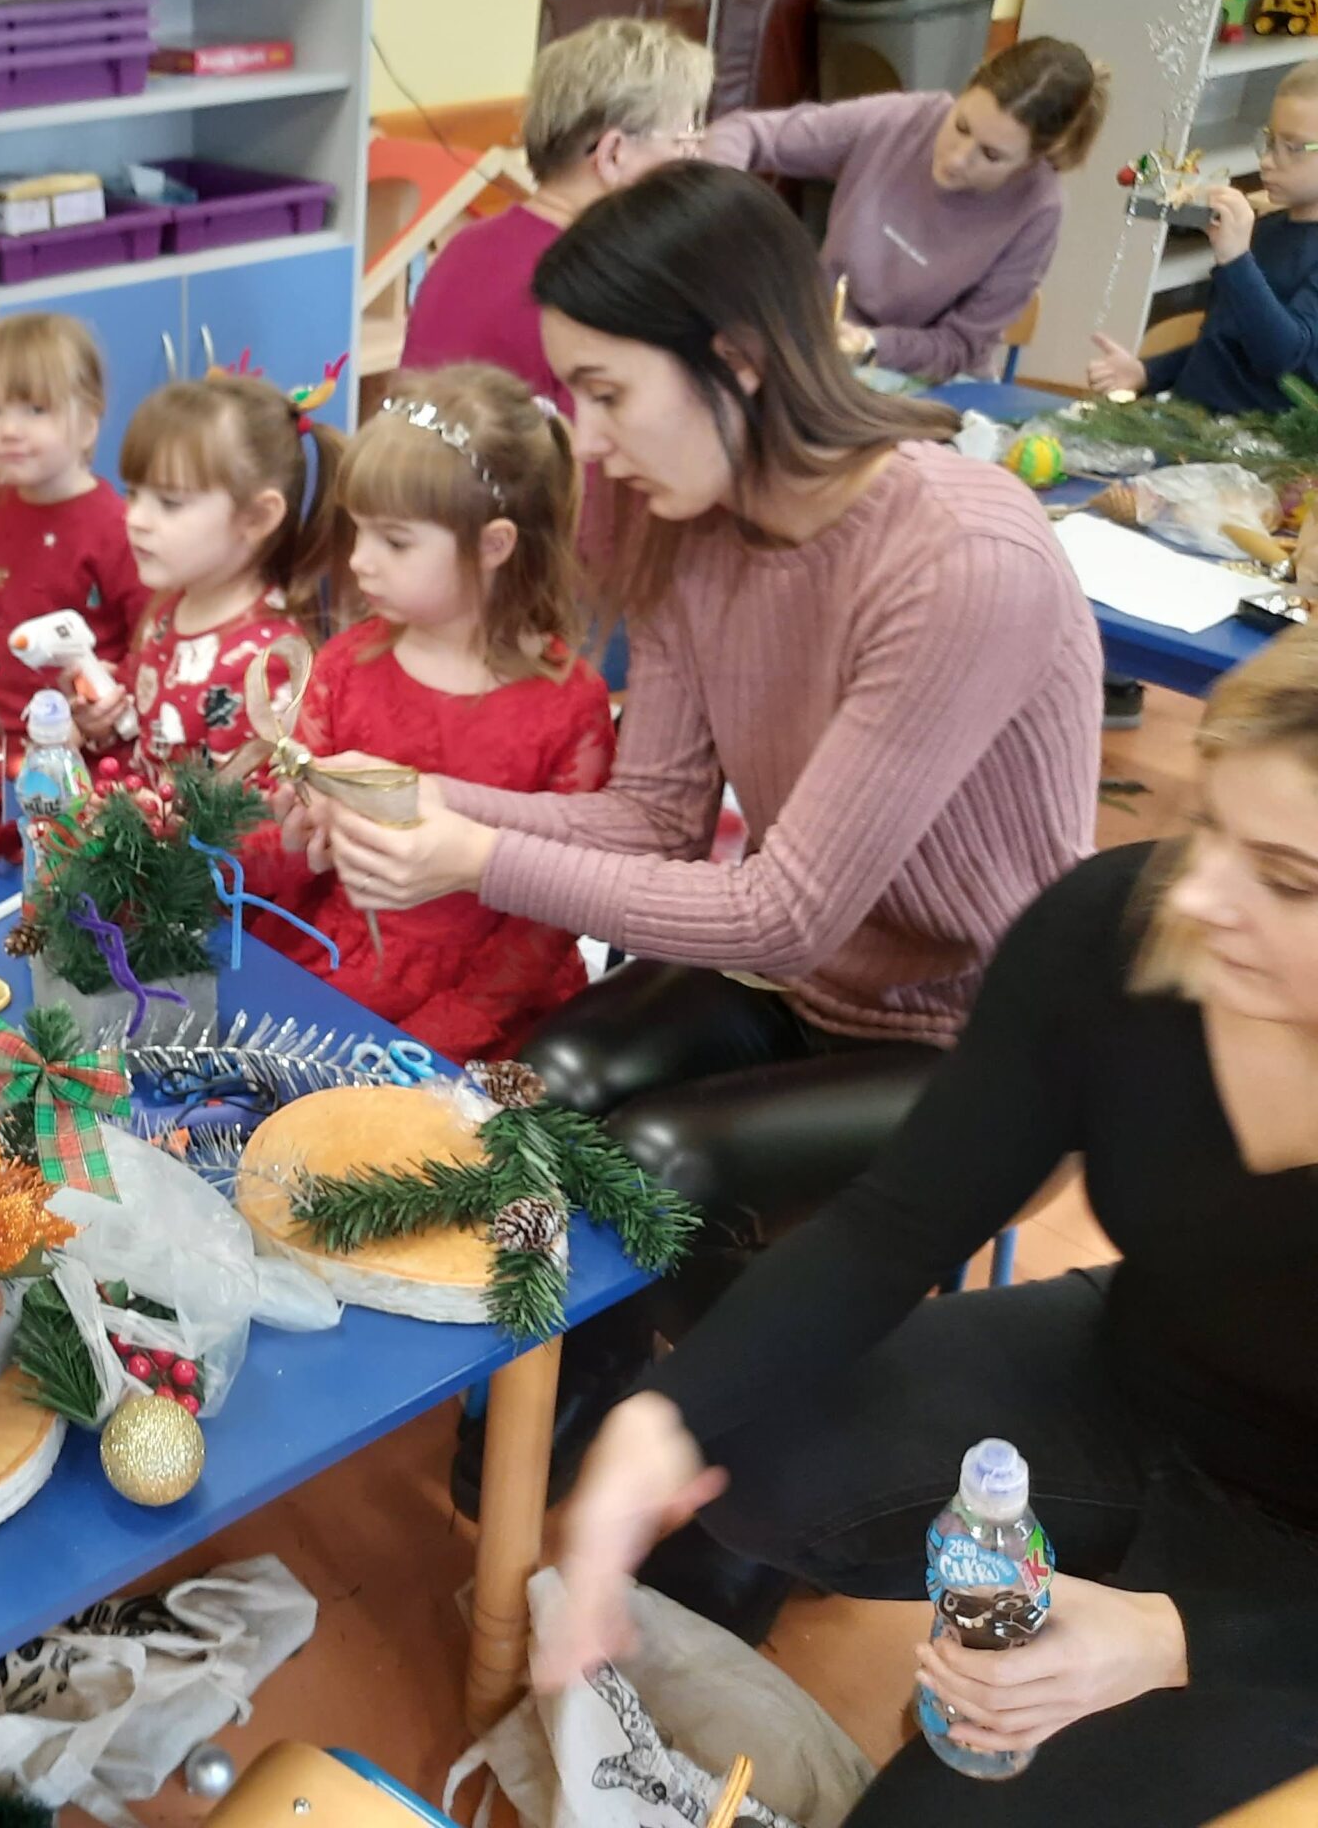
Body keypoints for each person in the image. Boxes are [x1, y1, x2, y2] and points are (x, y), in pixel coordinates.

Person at [299, 163, 1102, 1492]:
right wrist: (424, 794)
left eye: (607, 393)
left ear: (735, 359)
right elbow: (658, 817)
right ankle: (581, 1392)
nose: (588, 441)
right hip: (805, 984)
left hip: (984, 1036)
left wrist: (474, 854)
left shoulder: (960, 562)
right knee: (548, 1081)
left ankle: (756, 1478)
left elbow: (786, 911)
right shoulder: (683, 520)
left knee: (666, 1163)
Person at [543, 623, 1318, 1827]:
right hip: (1139, 1374)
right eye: (1209, 824)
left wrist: (1176, 1639)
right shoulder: (1115, 929)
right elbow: (897, 1218)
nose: (1200, 894)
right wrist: (664, 1416)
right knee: (755, 1451)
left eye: (1289, 879)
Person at [244, 366, 614, 1063]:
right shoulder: (345, 665)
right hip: (340, 963)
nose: (359, 561)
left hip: (491, 1006)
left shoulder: (571, 705)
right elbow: (280, 857)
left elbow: (546, 920)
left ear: (494, 545)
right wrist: (283, 831)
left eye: (395, 541)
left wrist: (439, 1033)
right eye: (358, 532)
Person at [708, 36, 1108, 384]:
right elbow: (744, 131)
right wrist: (714, 209)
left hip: (928, 382)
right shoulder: (901, 121)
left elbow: (959, 346)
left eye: (991, 155)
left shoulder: (1039, 209)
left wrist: (871, 344)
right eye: (961, 126)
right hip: (819, 349)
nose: (957, 158)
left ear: (1032, 160)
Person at [402, 16, 715, 406]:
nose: (692, 162)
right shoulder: (598, 286)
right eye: (684, 142)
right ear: (613, 154)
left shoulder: (465, 245)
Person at [76, 374, 348, 778]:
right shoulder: (169, 607)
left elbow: (243, 813)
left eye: (170, 502)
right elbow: (145, 733)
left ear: (256, 518)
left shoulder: (265, 665)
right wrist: (104, 722)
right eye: (133, 493)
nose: (135, 519)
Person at [0, 314, 148, 738]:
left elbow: (150, 641)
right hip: (1, 732)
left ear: (87, 424)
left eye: (36, 410)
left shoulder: (118, 528)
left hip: (89, 745)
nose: (9, 430)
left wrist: (107, 707)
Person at [1089, 59, 1318, 414]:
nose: (1268, 161)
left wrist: (1237, 260)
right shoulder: (1270, 230)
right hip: (1187, 416)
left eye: (1294, 147)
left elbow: (1282, 359)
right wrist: (1147, 373)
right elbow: (1223, 346)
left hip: (1253, 439)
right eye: (1270, 141)